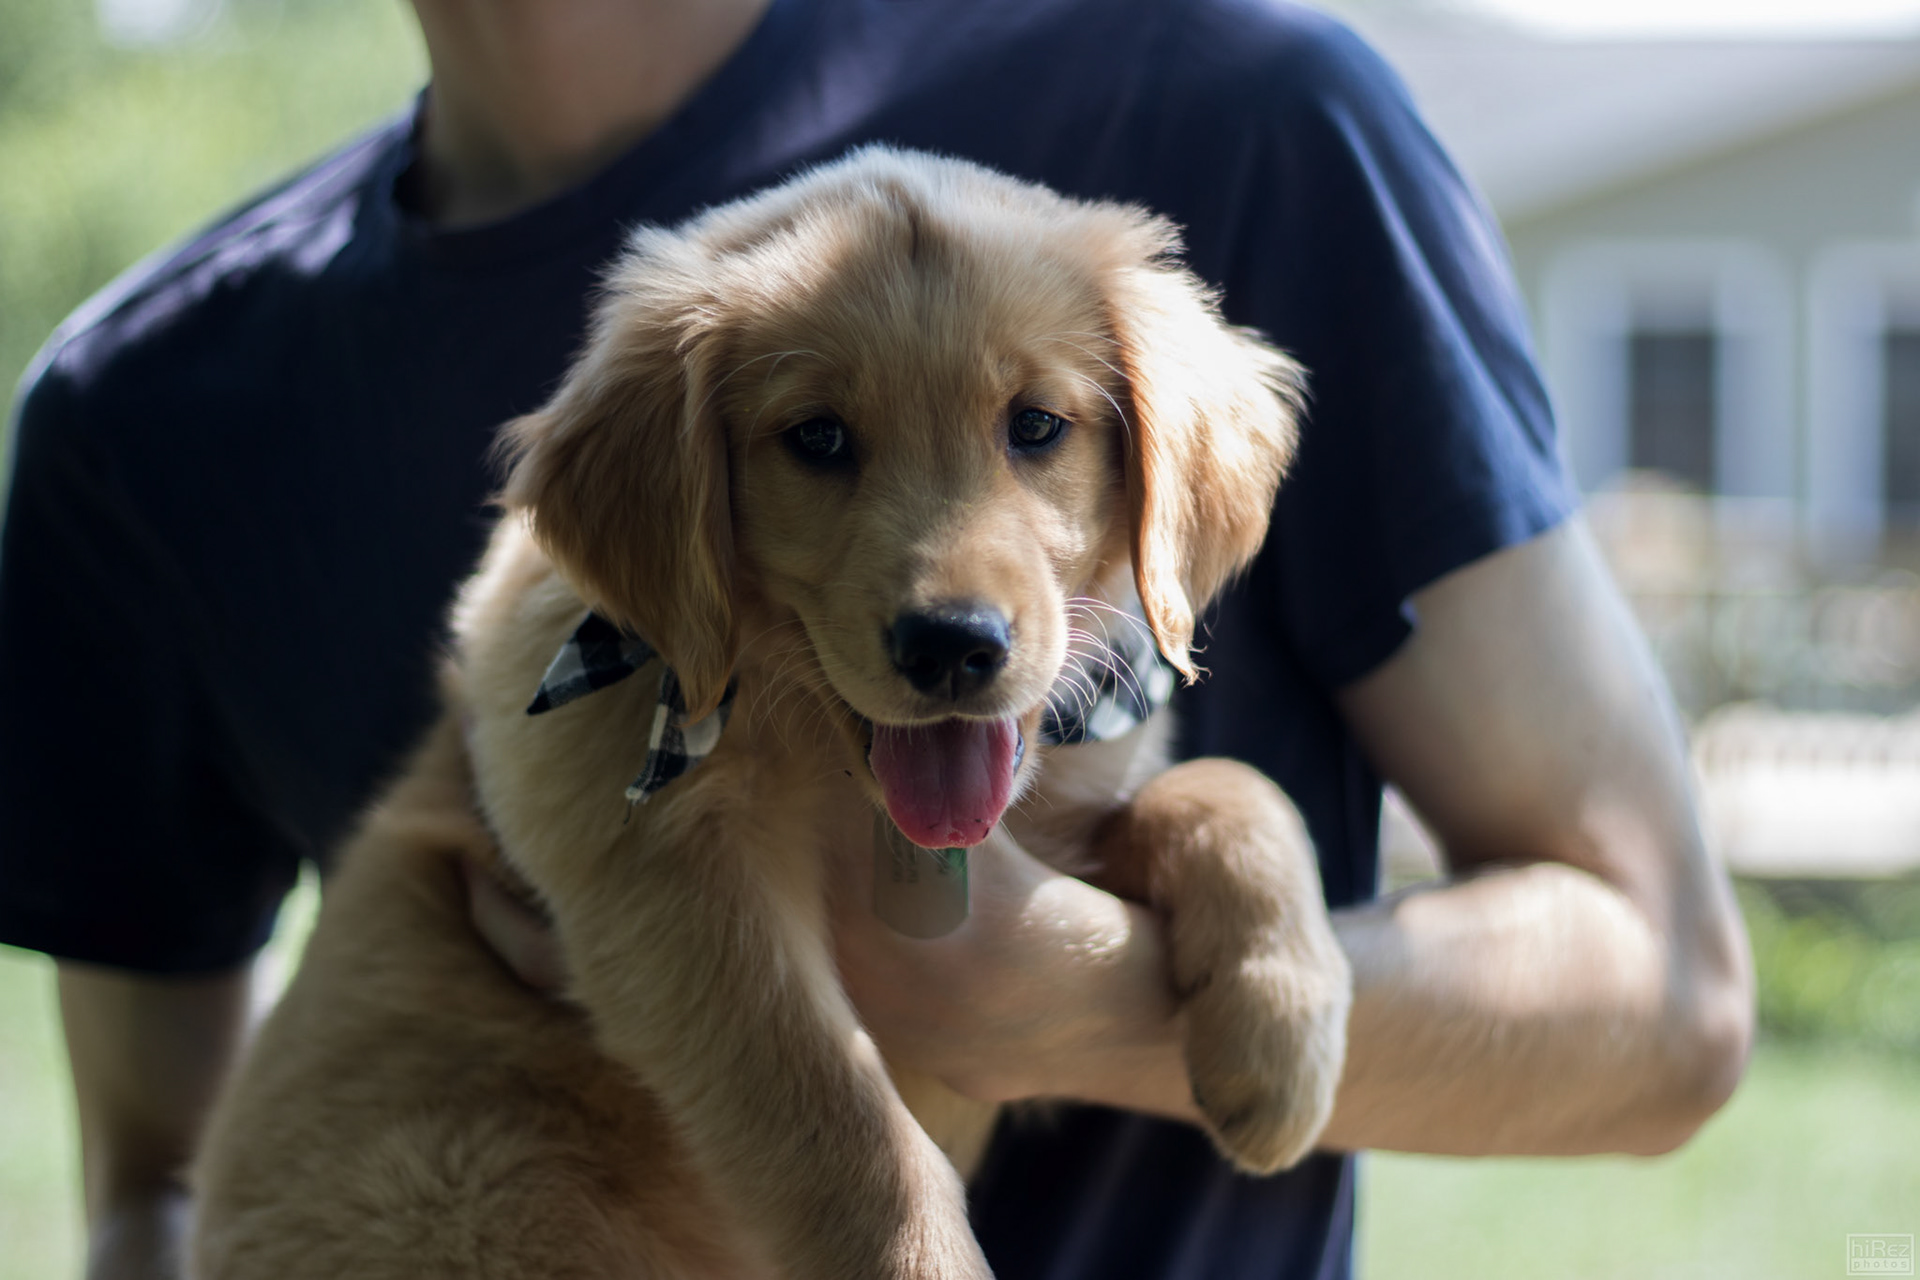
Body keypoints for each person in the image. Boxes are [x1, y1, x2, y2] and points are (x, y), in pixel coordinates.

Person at [0, 1, 1755, 1277]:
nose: (948, 582)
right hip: (479, 1205)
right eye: (819, 444)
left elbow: (1673, 1005)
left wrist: (1088, 983)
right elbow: (155, 1194)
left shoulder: (1237, 108)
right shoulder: (143, 416)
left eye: (1038, 431)